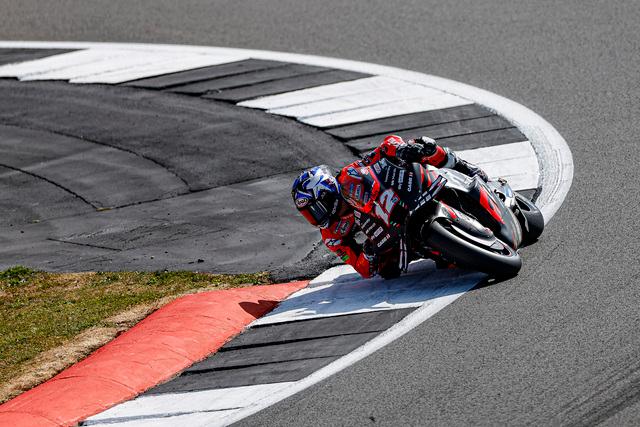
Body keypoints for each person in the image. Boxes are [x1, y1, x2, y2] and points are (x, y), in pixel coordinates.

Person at [291, 135, 489, 279]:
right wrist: (369, 253)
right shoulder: (331, 235)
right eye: (309, 214)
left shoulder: (349, 174)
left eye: (315, 209)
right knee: (388, 271)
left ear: (326, 194)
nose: (315, 217)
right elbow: (362, 269)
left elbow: (385, 146)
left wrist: (400, 149)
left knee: (421, 145)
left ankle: (463, 167)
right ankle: (444, 246)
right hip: (390, 232)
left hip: (402, 191)